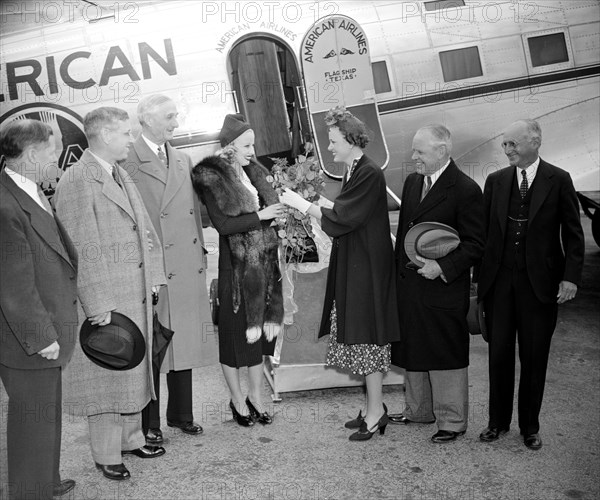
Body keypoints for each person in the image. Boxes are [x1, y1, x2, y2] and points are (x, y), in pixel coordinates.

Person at [54, 107, 167, 481]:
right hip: (109, 297)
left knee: (130, 368)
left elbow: (144, 229)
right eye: (126, 134)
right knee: (107, 372)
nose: (132, 140)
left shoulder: (117, 172)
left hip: (131, 291)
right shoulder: (78, 180)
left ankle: (131, 438)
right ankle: (105, 454)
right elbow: (81, 248)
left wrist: (154, 276)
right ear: (104, 135)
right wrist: (97, 303)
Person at [280, 106, 400, 441]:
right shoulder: (355, 169)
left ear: (350, 140)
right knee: (360, 336)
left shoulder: (369, 172)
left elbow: (345, 218)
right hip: (357, 263)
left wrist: (302, 205)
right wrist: (312, 199)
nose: (328, 147)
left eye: (333, 141)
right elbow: (344, 210)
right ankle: (370, 406)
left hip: (368, 269)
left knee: (367, 338)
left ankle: (376, 411)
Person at [476, 119, 584, 450]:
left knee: (535, 357)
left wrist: (570, 276)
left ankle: (530, 428)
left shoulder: (559, 179)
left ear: (534, 142)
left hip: (541, 285)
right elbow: (484, 235)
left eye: (512, 144)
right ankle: (497, 422)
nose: (506, 149)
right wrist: (479, 281)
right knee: (499, 354)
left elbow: (573, 233)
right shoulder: (495, 181)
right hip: (500, 283)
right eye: (505, 144)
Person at [122, 94, 216, 445]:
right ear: (146, 120)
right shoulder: (128, 160)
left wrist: (202, 257)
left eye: (177, 115)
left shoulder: (182, 157)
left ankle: (182, 415)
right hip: (156, 267)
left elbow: (192, 210)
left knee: (185, 340)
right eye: (169, 117)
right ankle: (150, 422)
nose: (176, 123)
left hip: (186, 264)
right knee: (155, 347)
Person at [389, 124, 485, 443]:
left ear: (441, 151)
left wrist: (442, 266)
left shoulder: (465, 189)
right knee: (414, 346)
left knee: (445, 352)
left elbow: (476, 244)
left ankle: (452, 421)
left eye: (420, 151)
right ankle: (418, 410)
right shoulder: (413, 181)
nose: (413, 156)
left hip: (442, 285)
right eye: (414, 150)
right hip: (411, 286)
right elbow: (404, 234)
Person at [0, 119, 78, 499]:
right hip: (28, 337)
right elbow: (12, 281)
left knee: (46, 414)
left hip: (47, 326)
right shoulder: (3, 202)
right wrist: (41, 334)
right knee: (32, 421)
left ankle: (45, 480)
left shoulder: (25, 187)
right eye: (56, 148)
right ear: (32, 154)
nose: (61, 156)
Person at [192, 113, 285, 426]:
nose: (252, 150)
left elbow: (267, 211)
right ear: (229, 146)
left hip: (264, 266)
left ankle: (255, 396)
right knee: (234, 338)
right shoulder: (213, 178)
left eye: (254, 144)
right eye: (246, 145)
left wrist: (278, 219)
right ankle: (236, 400)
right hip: (236, 268)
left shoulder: (254, 173)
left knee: (257, 337)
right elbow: (223, 224)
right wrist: (262, 216)